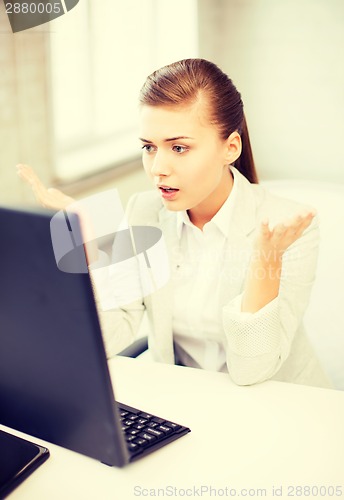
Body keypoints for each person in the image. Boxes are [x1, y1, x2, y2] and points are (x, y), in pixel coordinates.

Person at [17, 58, 332, 388]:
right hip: (183, 400)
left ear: (231, 147)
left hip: (279, 405)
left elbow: (252, 370)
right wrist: (88, 243)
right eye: (149, 147)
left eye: (179, 147)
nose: (157, 169)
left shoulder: (290, 228)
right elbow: (111, 331)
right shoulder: (144, 211)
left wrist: (266, 258)